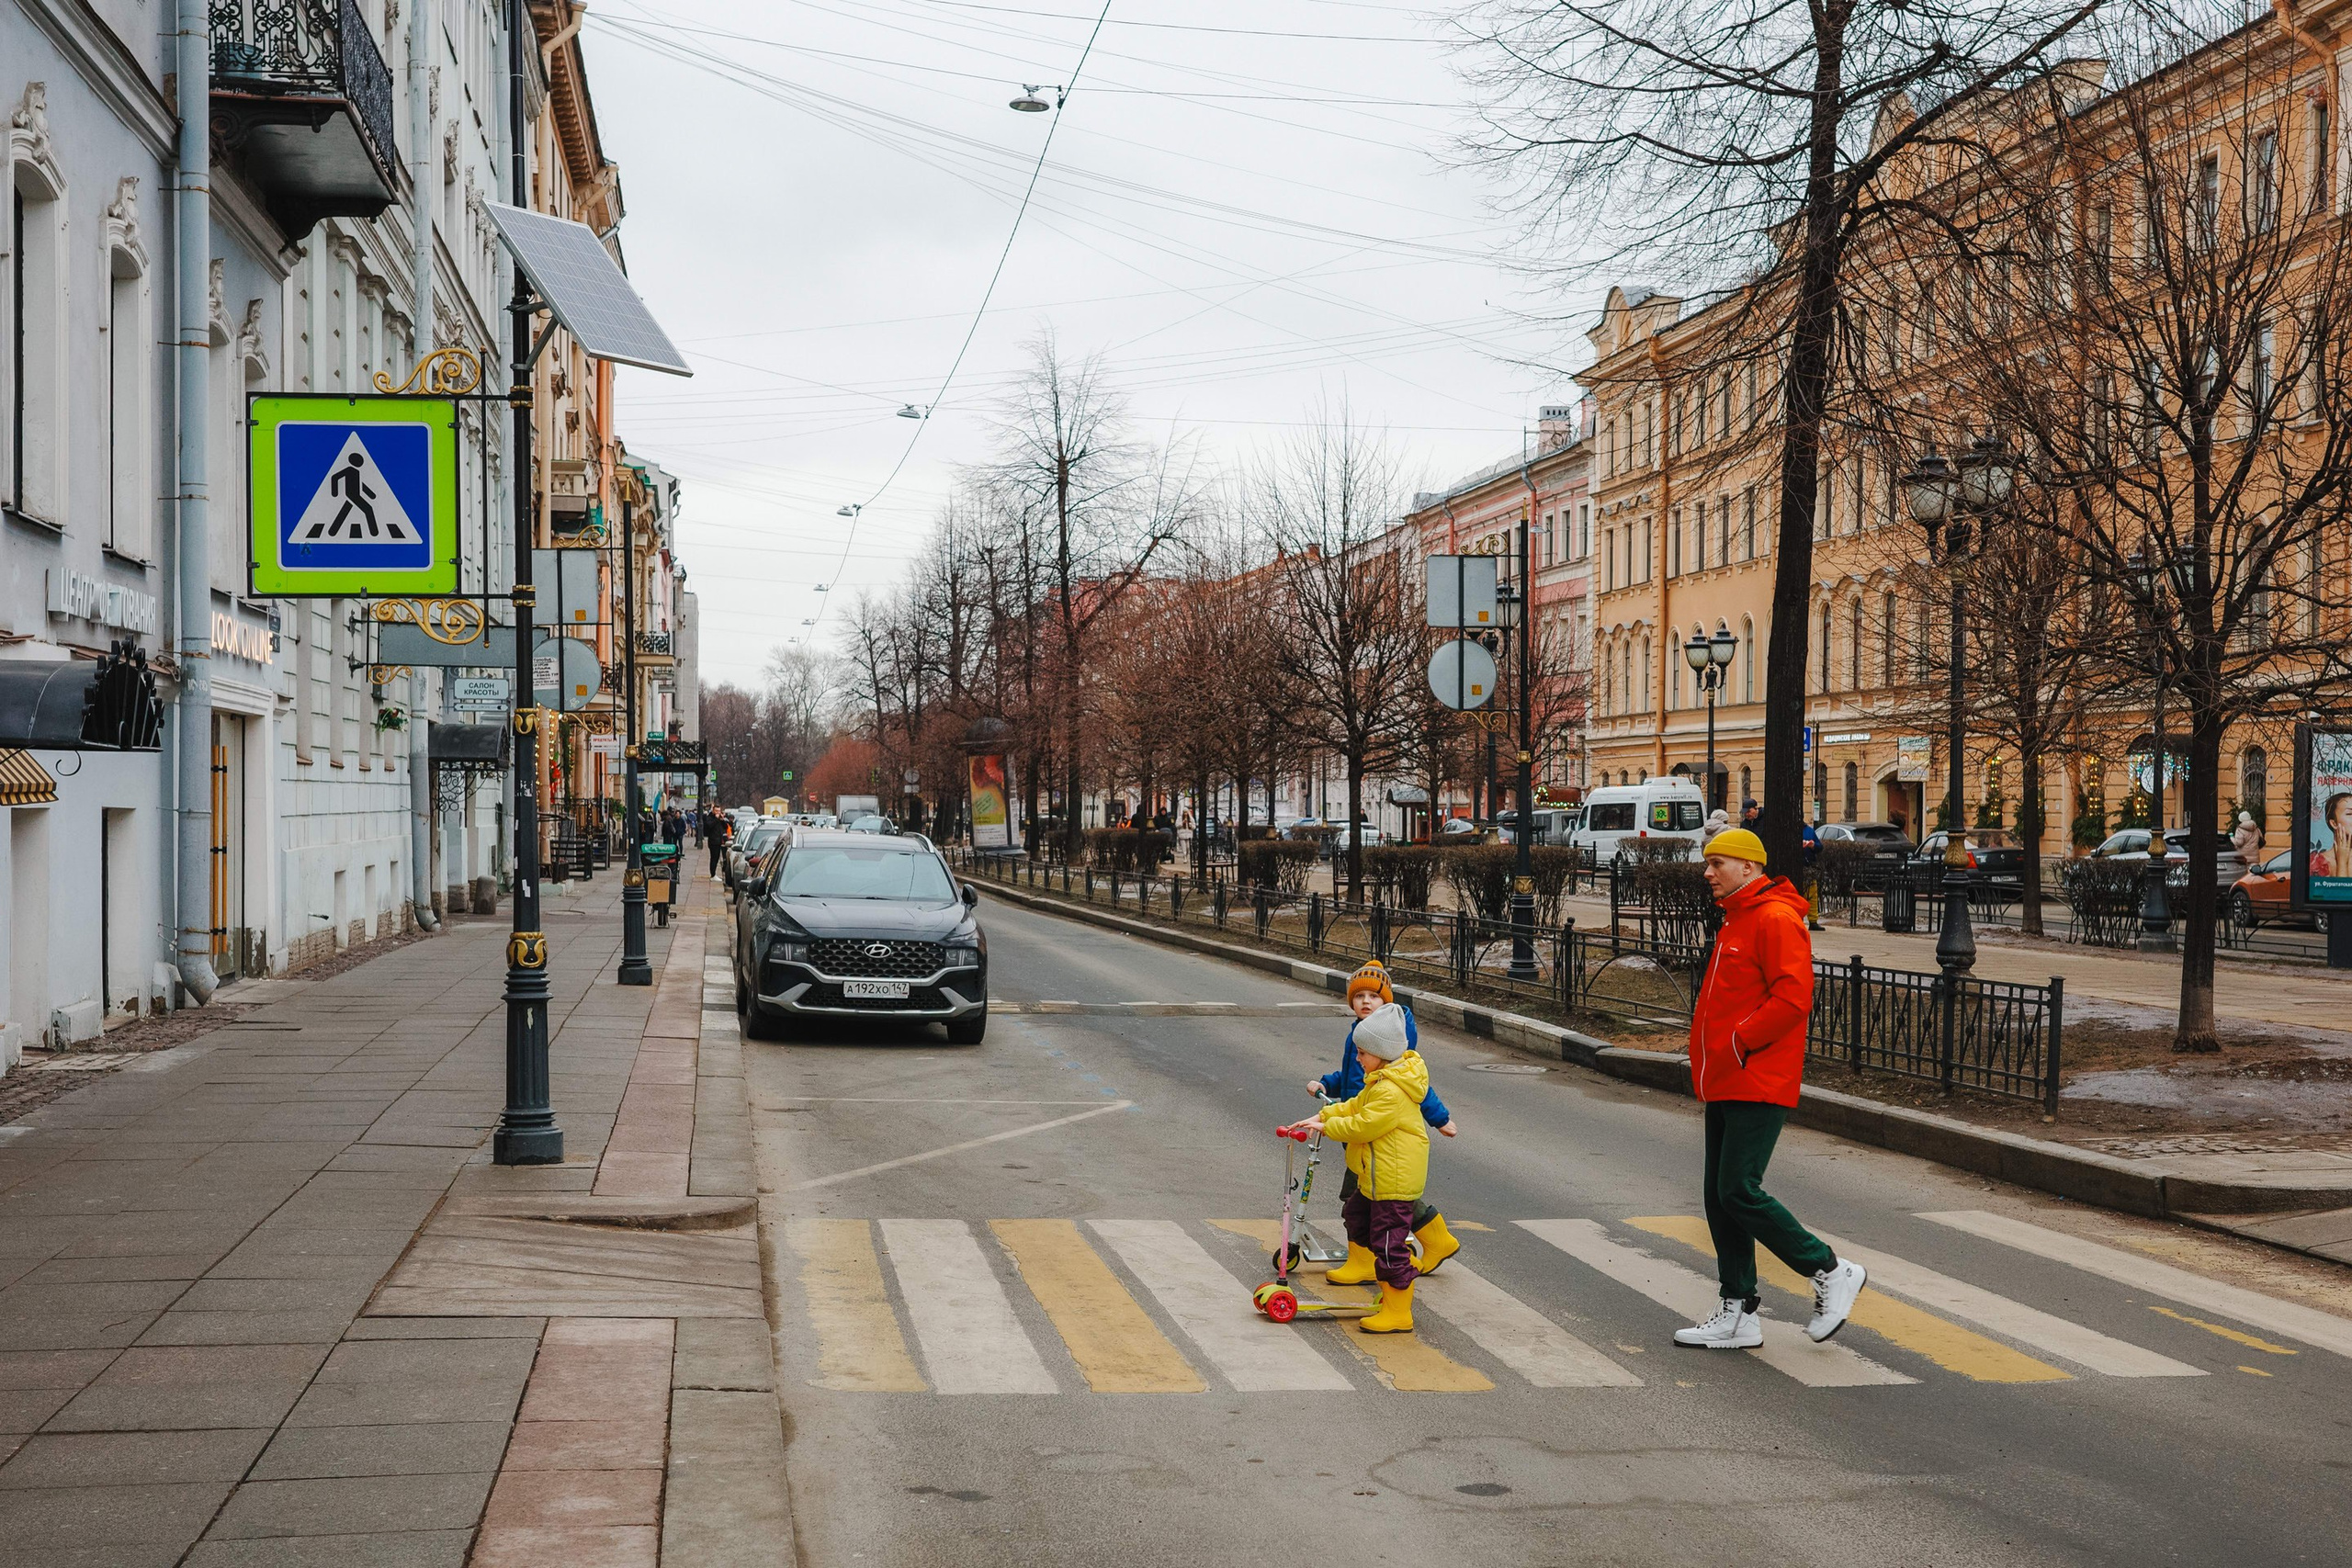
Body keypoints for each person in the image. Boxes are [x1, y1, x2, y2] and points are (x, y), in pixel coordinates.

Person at [1672, 828, 1867, 1350]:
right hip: (1727, 1077)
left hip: (1757, 1076)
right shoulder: (1739, 919)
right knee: (1720, 1196)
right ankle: (1738, 1310)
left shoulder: (1777, 918)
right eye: (1707, 862)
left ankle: (1829, 1269)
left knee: (1739, 1189)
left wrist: (1738, 1043)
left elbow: (1793, 998)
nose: (1708, 872)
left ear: (1750, 868)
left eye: (1718, 862)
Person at [1308, 962, 1461, 1283]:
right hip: (1361, 1123)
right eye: (1359, 996)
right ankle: (1437, 1241)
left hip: (1378, 1131)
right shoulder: (1360, 1037)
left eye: (1373, 997)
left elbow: (1417, 1087)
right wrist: (1327, 1084)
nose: (1366, 1002)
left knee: (1365, 1197)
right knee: (1382, 1196)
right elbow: (1352, 1077)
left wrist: (1440, 1118)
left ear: (1387, 1003)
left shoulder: (1392, 1040)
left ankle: (1367, 1261)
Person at [1286, 1001, 1431, 1334]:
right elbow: (1354, 1105)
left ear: (1381, 1054)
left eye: (1362, 1053)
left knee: (1387, 1245)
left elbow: (1363, 1125)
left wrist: (1328, 1128)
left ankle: (1399, 1310)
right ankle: (1385, 1269)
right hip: (1375, 1178)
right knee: (1356, 1215)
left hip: (1393, 1181)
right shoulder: (1379, 1080)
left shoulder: (1392, 1091)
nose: (1357, 1058)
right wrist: (1322, 1115)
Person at [2311, 793, 2352, 879]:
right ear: (2334, 823)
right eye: (2349, 814)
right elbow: (2339, 892)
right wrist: (2342, 863)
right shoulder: (2318, 863)